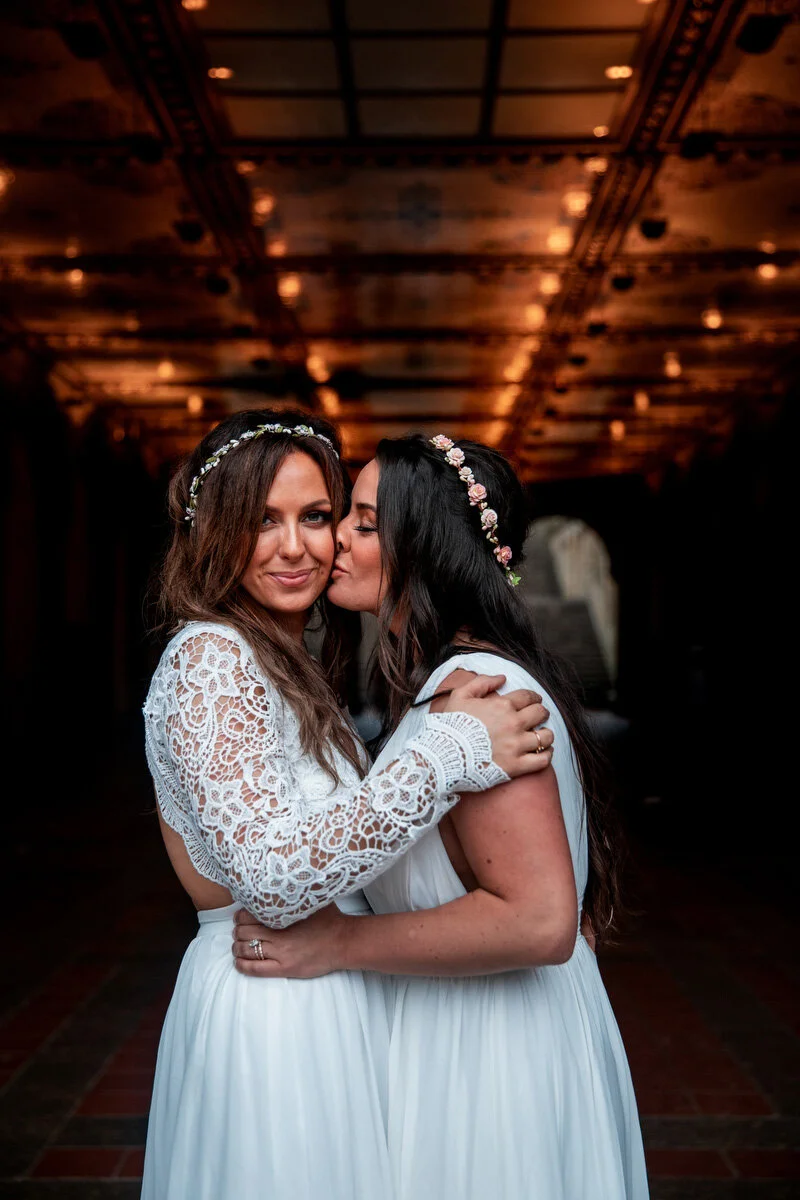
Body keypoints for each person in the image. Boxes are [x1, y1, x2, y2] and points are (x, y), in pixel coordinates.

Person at [141, 411, 555, 1200]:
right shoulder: (209, 656)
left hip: (323, 991)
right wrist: (447, 754)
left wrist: (426, 735)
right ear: (214, 532)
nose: (295, 546)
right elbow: (272, 875)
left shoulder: (279, 657)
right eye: (262, 521)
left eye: (316, 516)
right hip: (269, 1005)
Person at [234, 433, 649, 1200]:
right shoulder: (448, 681)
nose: (335, 545)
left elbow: (541, 922)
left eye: (361, 522)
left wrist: (339, 942)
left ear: (422, 545)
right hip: (458, 1031)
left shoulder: (480, 685)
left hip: (492, 1058)